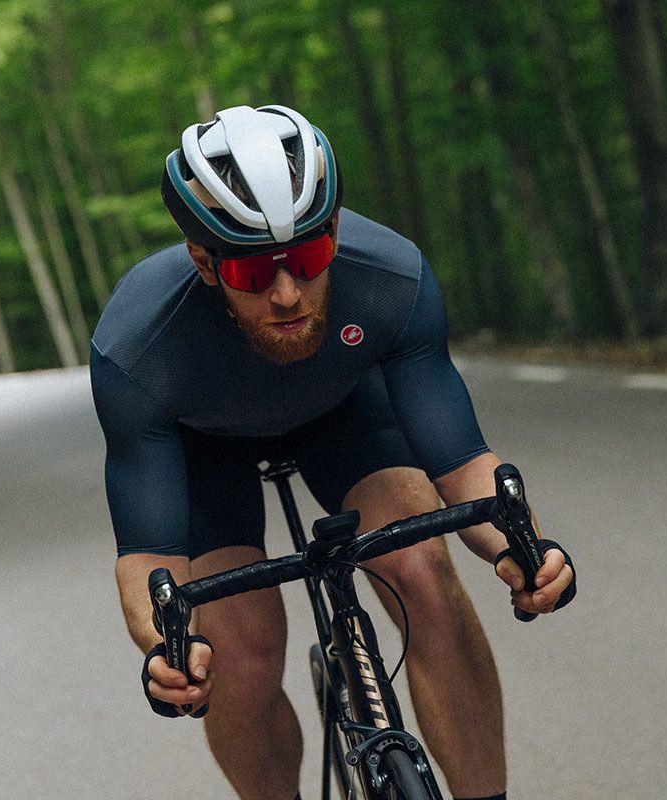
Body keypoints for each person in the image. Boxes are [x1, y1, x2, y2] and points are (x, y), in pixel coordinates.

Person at [89, 104, 576, 800]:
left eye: (310, 259)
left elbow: (461, 462)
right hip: (203, 449)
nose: (289, 294)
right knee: (241, 655)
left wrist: (523, 548)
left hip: (343, 410)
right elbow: (148, 559)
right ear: (203, 260)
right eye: (256, 275)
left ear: (336, 233)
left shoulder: (391, 278)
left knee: (421, 566)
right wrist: (167, 654)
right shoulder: (140, 347)